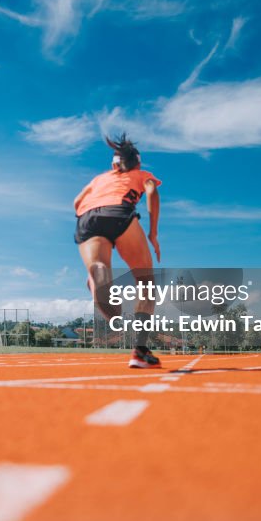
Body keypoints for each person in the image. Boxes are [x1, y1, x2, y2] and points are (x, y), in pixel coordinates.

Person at [73, 134, 162, 368]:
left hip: (87, 218)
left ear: (113, 165)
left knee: (100, 268)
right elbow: (152, 192)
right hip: (120, 213)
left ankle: (97, 278)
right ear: (138, 163)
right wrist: (153, 234)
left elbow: (76, 202)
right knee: (146, 282)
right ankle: (140, 351)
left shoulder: (99, 179)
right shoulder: (142, 175)